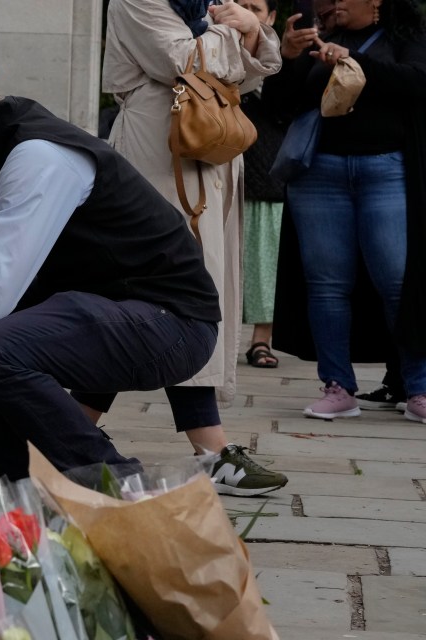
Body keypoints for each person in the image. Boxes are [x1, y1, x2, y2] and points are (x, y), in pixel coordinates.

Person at [0, 40, 225, 483]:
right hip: (97, 308)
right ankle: (25, 484)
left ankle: (114, 483)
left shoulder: (35, 155)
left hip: (170, 321)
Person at [101, 0, 288, 494]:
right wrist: (240, 31)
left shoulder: (201, 0)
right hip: (159, 151)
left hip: (206, 145)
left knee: (167, 297)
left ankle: (61, 428)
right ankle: (210, 452)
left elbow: (246, 77)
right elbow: (183, 60)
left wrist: (246, 33)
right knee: (162, 294)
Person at [264, 0, 426, 423]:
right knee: (326, 285)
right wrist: (290, 56)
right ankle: (338, 386)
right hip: (320, 174)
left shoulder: (405, 36)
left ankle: (419, 386)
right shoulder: (321, 35)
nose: (331, 1)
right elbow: (280, 106)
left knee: (397, 281)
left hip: (386, 170)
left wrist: (357, 60)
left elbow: (417, 82)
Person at [237, 0, 285, 369]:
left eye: (254, 6)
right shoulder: (210, 44)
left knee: (264, 264)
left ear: (270, 17)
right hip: (218, 172)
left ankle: (261, 340)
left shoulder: (283, 61)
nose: (245, 10)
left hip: (266, 173)